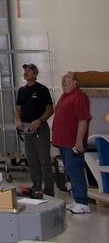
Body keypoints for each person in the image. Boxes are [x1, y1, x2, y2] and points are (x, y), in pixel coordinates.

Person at [51, 71, 91, 215]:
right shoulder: (64, 96)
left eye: (67, 78)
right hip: (62, 142)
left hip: (72, 143)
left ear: (75, 82)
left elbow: (83, 119)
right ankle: (76, 199)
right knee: (69, 171)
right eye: (62, 79)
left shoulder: (79, 97)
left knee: (76, 171)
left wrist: (79, 140)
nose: (63, 81)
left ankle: (83, 202)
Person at [15, 63, 55, 196]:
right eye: (25, 70)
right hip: (27, 129)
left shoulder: (42, 90)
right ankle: (36, 187)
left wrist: (40, 120)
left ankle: (49, 190)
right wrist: (18, 120)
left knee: (44, 160)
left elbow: (50, 109)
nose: (26, 72)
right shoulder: (22, 91)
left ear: (35, 74)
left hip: (40, 129)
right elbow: (18, 108)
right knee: (32, 160)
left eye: (29, 70)